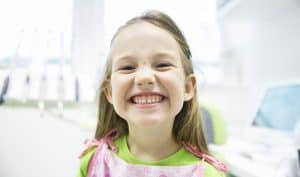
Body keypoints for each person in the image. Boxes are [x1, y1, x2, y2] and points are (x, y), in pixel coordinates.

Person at [77, 10, 227, 177]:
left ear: (188, 87)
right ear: (110, 91)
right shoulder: (93, 164)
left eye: (162, 64)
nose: (144, 77)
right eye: (127, 67)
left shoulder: (208, 174)